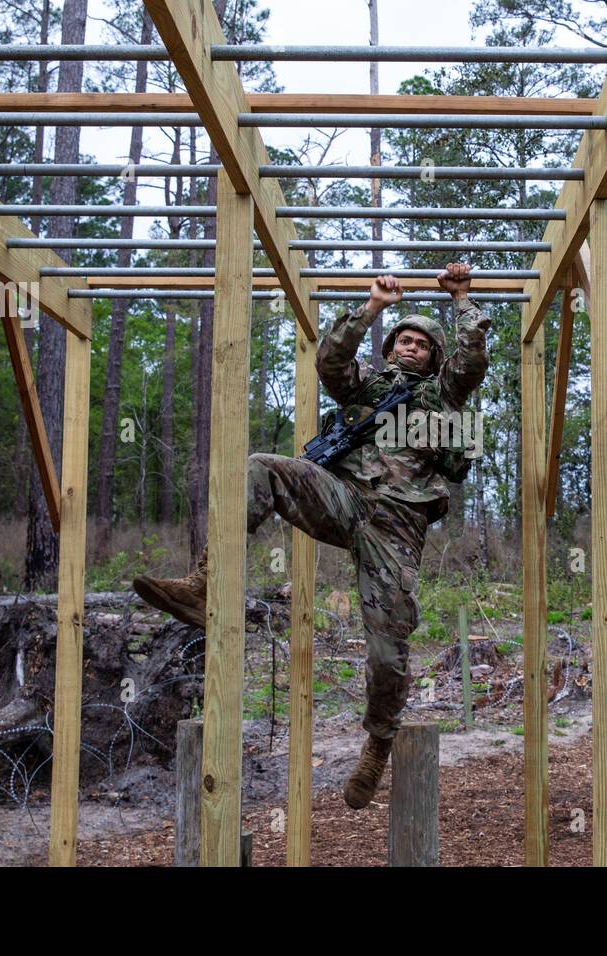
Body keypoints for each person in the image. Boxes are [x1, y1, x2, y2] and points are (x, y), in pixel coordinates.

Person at [134, 263, 491, 809]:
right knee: (260, 467)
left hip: (397, 522)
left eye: (422, 343)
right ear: (391, 347)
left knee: (389, 649)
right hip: (343, 498)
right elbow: (330, 360)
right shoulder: (366, 386)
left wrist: (462, 298)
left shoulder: (442, 397)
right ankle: (208, 583)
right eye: (404, 339)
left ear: (433, 356)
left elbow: (471, 362)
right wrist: (372, 307)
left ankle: (377, 743)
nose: (411, 347)